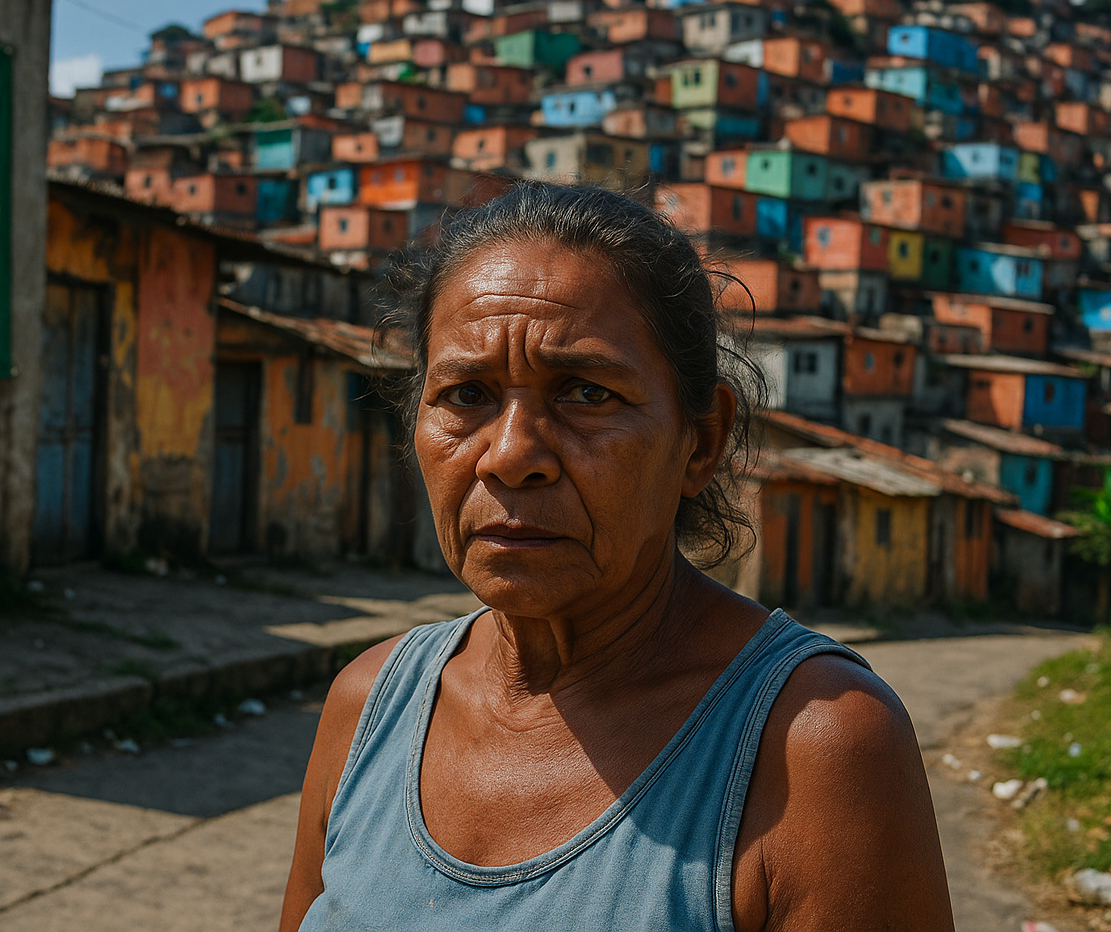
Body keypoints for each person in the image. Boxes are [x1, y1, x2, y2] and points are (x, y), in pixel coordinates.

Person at [279, 182, 953, 931]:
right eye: (466, 394)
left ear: (700, 442)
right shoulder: (369, 706)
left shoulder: (814, 749)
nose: (509, 457)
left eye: (586, 394)